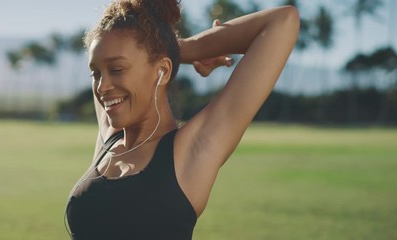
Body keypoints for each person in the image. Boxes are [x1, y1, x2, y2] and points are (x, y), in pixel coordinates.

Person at [65, 0, 299, 239]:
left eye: (116, 70)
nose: (102, 86)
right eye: (95, 73)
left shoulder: (191, 151)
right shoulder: (109, 141)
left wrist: (184, 49)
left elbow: (282, 21)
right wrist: (165, 49)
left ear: (163, 71)